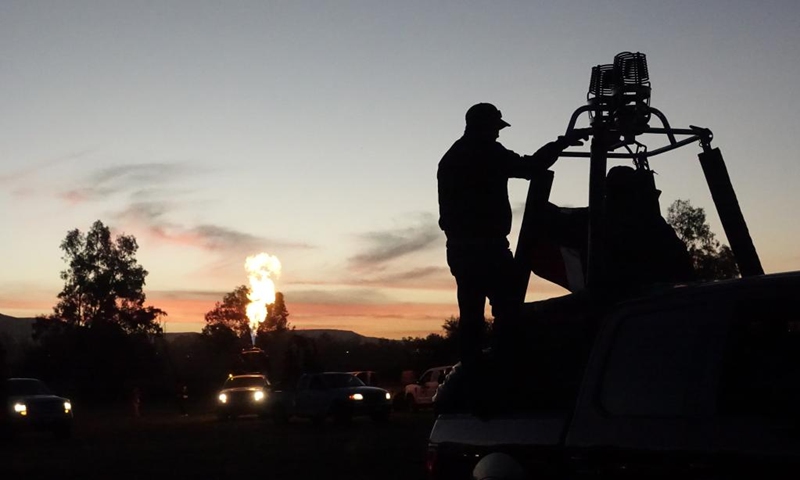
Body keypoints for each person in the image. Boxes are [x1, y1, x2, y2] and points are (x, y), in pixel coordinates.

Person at [437, 103, 587, 369]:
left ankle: (475, 371)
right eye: (495, 128)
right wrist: (563, 143)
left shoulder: (452, 157)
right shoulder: (485, 152)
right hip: (488, 249)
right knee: (509, 310)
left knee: (471, 314)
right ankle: (504, 368)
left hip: (461, 250)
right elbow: (532, 167)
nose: (498, 134)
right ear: (484, 127)